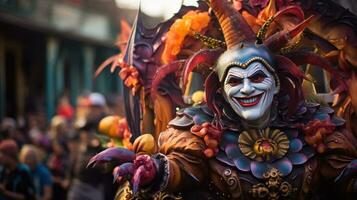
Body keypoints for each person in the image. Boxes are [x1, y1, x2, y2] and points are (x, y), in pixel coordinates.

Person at [88, 0, 357, 199]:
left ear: (275, 83)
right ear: (222, 91)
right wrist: (154, 171)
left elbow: (345, 177)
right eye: (235, 81)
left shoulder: (317, 125)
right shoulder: (201, 129)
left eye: (257, 77)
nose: (247, 89)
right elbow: (182, 168)